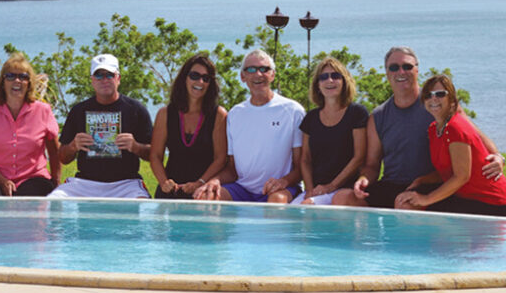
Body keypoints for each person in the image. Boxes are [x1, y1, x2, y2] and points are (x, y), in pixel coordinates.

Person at [333, 47, 504, 208]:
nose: (401, 72)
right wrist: (363, 180)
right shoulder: (378, 116)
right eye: (394, 67)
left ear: (417, 70)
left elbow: (474, 134)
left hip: (430, 185)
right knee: (342, 199)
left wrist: (497, 155)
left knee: (405, 204)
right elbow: (372, 165)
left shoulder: (437, 104)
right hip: (391, 184)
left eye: (407, 66)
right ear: (387, 73)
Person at [194, 49, 305, 203]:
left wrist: (284, 181)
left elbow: (302, 166)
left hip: (281, 189)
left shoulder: (293, 111)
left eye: (264, 69)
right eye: (251, 69)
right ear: (242, 76)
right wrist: (214, 181)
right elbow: (232, 170)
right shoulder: (234, 114)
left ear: (272, 75)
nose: (258, 74)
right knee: (205, 198)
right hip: (242, 189)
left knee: (276, 203)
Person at [395, 75, 506, 215]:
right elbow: (448, 171)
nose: (433, 99)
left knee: (410, 206)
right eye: (428, 95)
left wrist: (426, 199)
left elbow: (461, 176)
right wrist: (422, 180)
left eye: (440, 94)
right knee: (404, 202)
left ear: (452, 100)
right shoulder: (434, 129)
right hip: (464, 197)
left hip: (491, 202)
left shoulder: (456, 127)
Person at [49, 54, 152, 198]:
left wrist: (135, 146)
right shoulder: (79, 110)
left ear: (118, 79)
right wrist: (73, 146)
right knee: (53, 201)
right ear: (92, 81)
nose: (104, 80)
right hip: (85, 183)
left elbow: (153, 154)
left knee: (142, 201)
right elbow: (63, 158)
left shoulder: (136, 109)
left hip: (126, 183)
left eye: (109, 75)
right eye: (99, 76)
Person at [0, 53, 61, 196]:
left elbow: (55, 151)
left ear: (29, 83)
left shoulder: (43, 111)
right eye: (11, 76)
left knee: (28, 200)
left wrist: (57, 182)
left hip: (34, 178)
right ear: (3, 82)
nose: (17, 81)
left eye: (23, 77)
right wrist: (2, 181)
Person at [291, 57, 368, 205]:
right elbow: (305, 159)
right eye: (323, 77)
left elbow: (359, 157)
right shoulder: (311, 118)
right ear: (317, 85)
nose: (330, 81)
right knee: (287, 214)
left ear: (344, 81)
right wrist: (309, 189)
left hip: (343, 189)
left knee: (306, 209)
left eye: (336, 76)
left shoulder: (357, 113)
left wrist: (331, 186)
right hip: (316, 189)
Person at [150, 55, 227, 199]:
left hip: (203, 192)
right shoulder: (165, 114)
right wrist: (164, 182)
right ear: (184, 78)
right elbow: (155, 155)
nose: (200, 82)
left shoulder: (218, 115)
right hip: (170, 191)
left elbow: (220, 158)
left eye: (206, 78)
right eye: (194, 76)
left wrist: (200, 182)